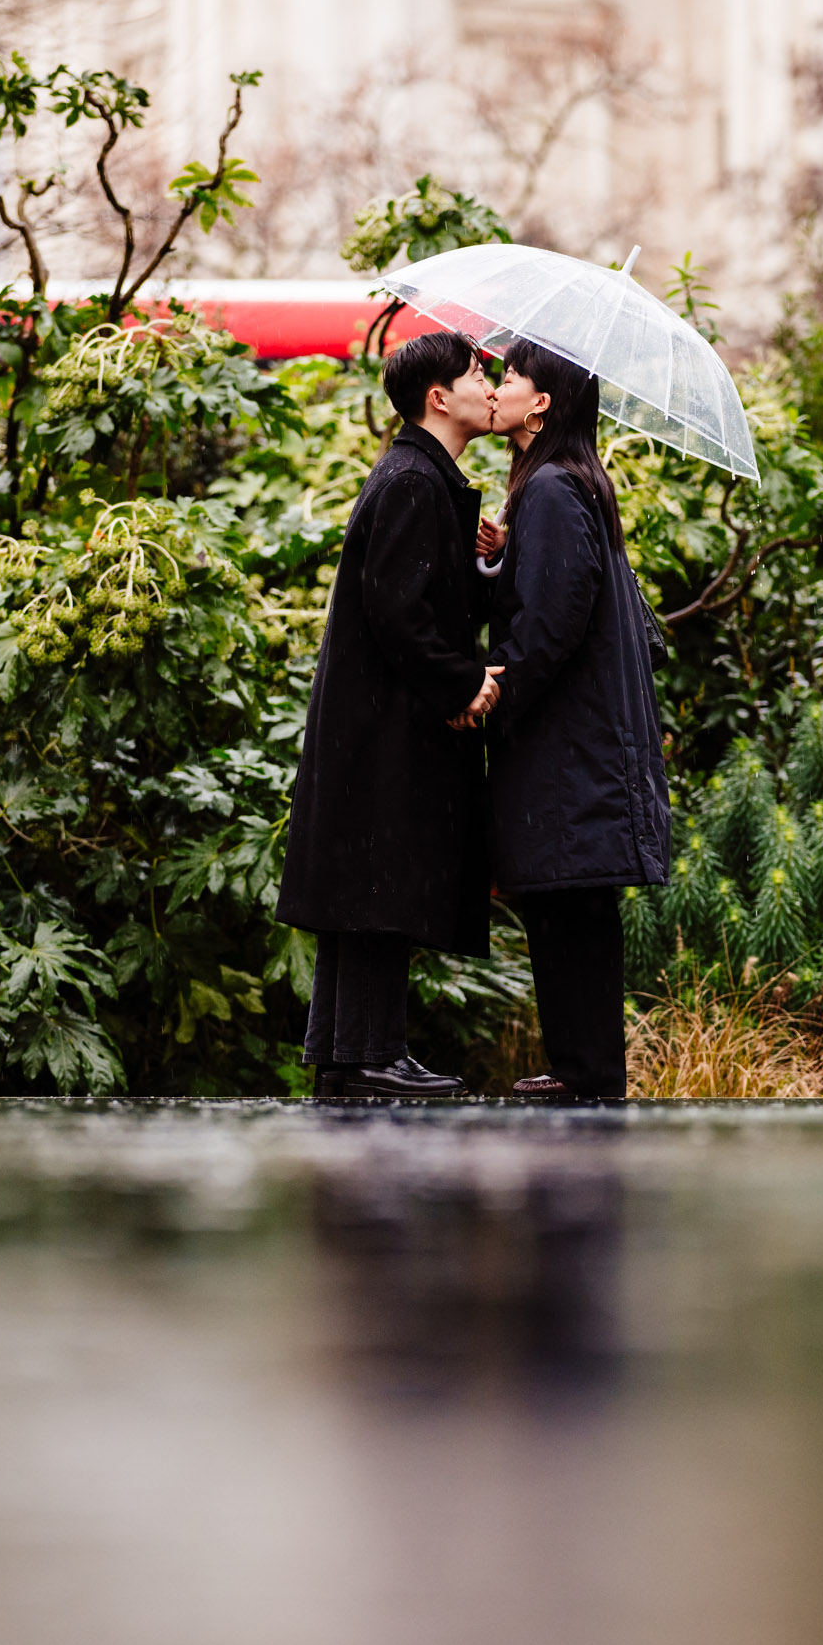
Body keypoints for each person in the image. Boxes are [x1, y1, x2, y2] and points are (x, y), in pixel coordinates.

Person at [274, 330, 506, 1099]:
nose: (488, 382)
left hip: (374, 723)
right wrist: (462, 684)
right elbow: (398, 612)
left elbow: (420, 597)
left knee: (366, 884)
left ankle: (348, 1050)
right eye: (477, 372)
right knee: (379, 882)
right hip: (388, 727)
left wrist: (481, 559)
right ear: (438, 397)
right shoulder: (413, 480)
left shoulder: (417, 475)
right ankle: (371, 1049)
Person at [476, 338, 673, 1100]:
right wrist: (500, 554)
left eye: (513, 375)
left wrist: (498, 689)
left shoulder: (555, 487)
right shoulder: (562, 484)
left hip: (567, 746)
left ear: (543, 404)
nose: (499, 386)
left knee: (569, 906)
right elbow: (547, 590)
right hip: (580, 743)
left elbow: (553, 620)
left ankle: (583, 1078)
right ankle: (582, 1073)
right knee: (569, 905)